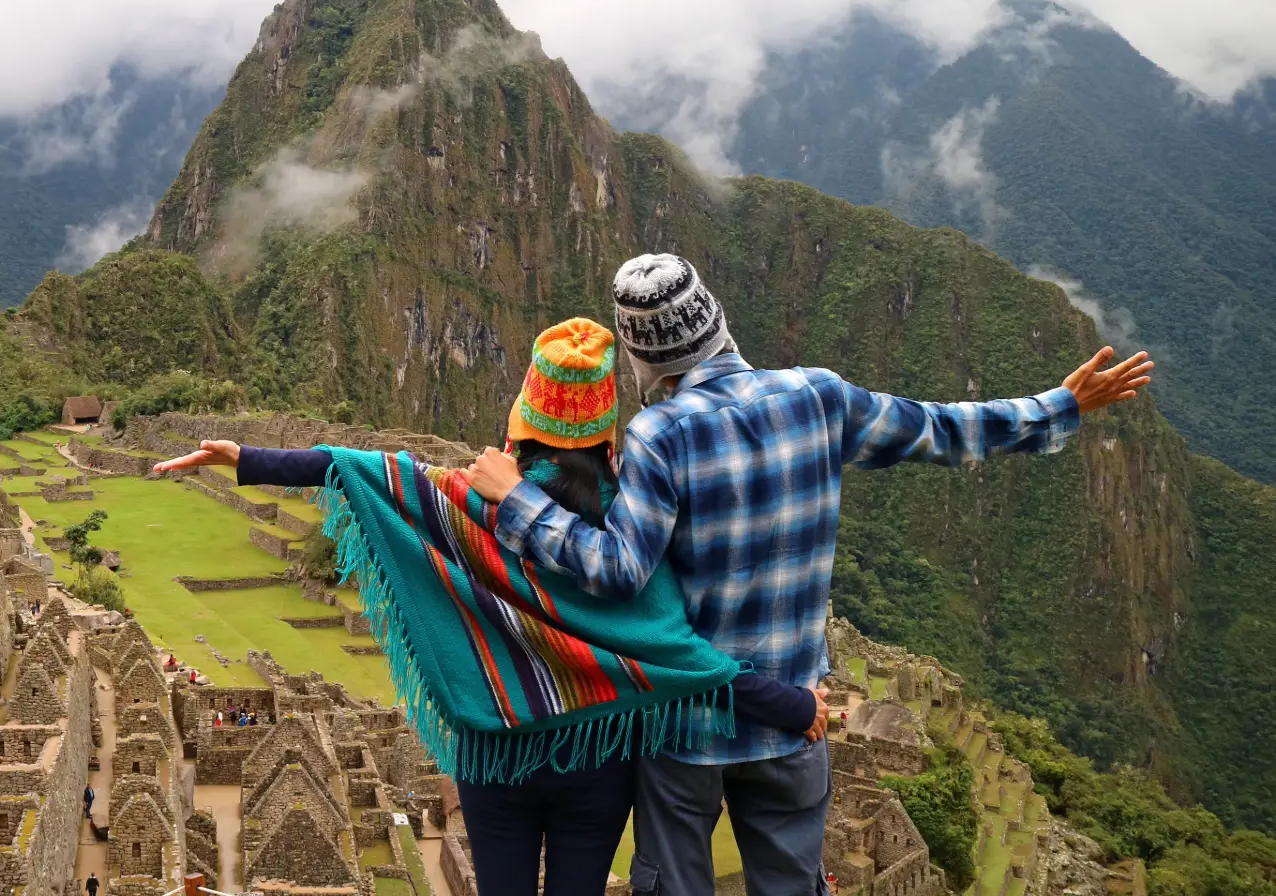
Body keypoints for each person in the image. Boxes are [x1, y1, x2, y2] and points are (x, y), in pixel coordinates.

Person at [457, 254, 1154, 896]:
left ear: (639, 357)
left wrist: (515, 498)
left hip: (685, 733)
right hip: (793, 719)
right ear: (720, 323)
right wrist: (1059, 406)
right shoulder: (818, 397)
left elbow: (618, 570)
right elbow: (943, 429)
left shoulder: (659, 436)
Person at [156, 317, 826, 896]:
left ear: (521, 425)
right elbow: (679, 653)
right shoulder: (628, 525)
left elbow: (369, 471)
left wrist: (246, 457)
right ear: (607, 436)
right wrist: (792, 705)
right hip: (595, 757)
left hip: (493, 755)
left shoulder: (464, 503)